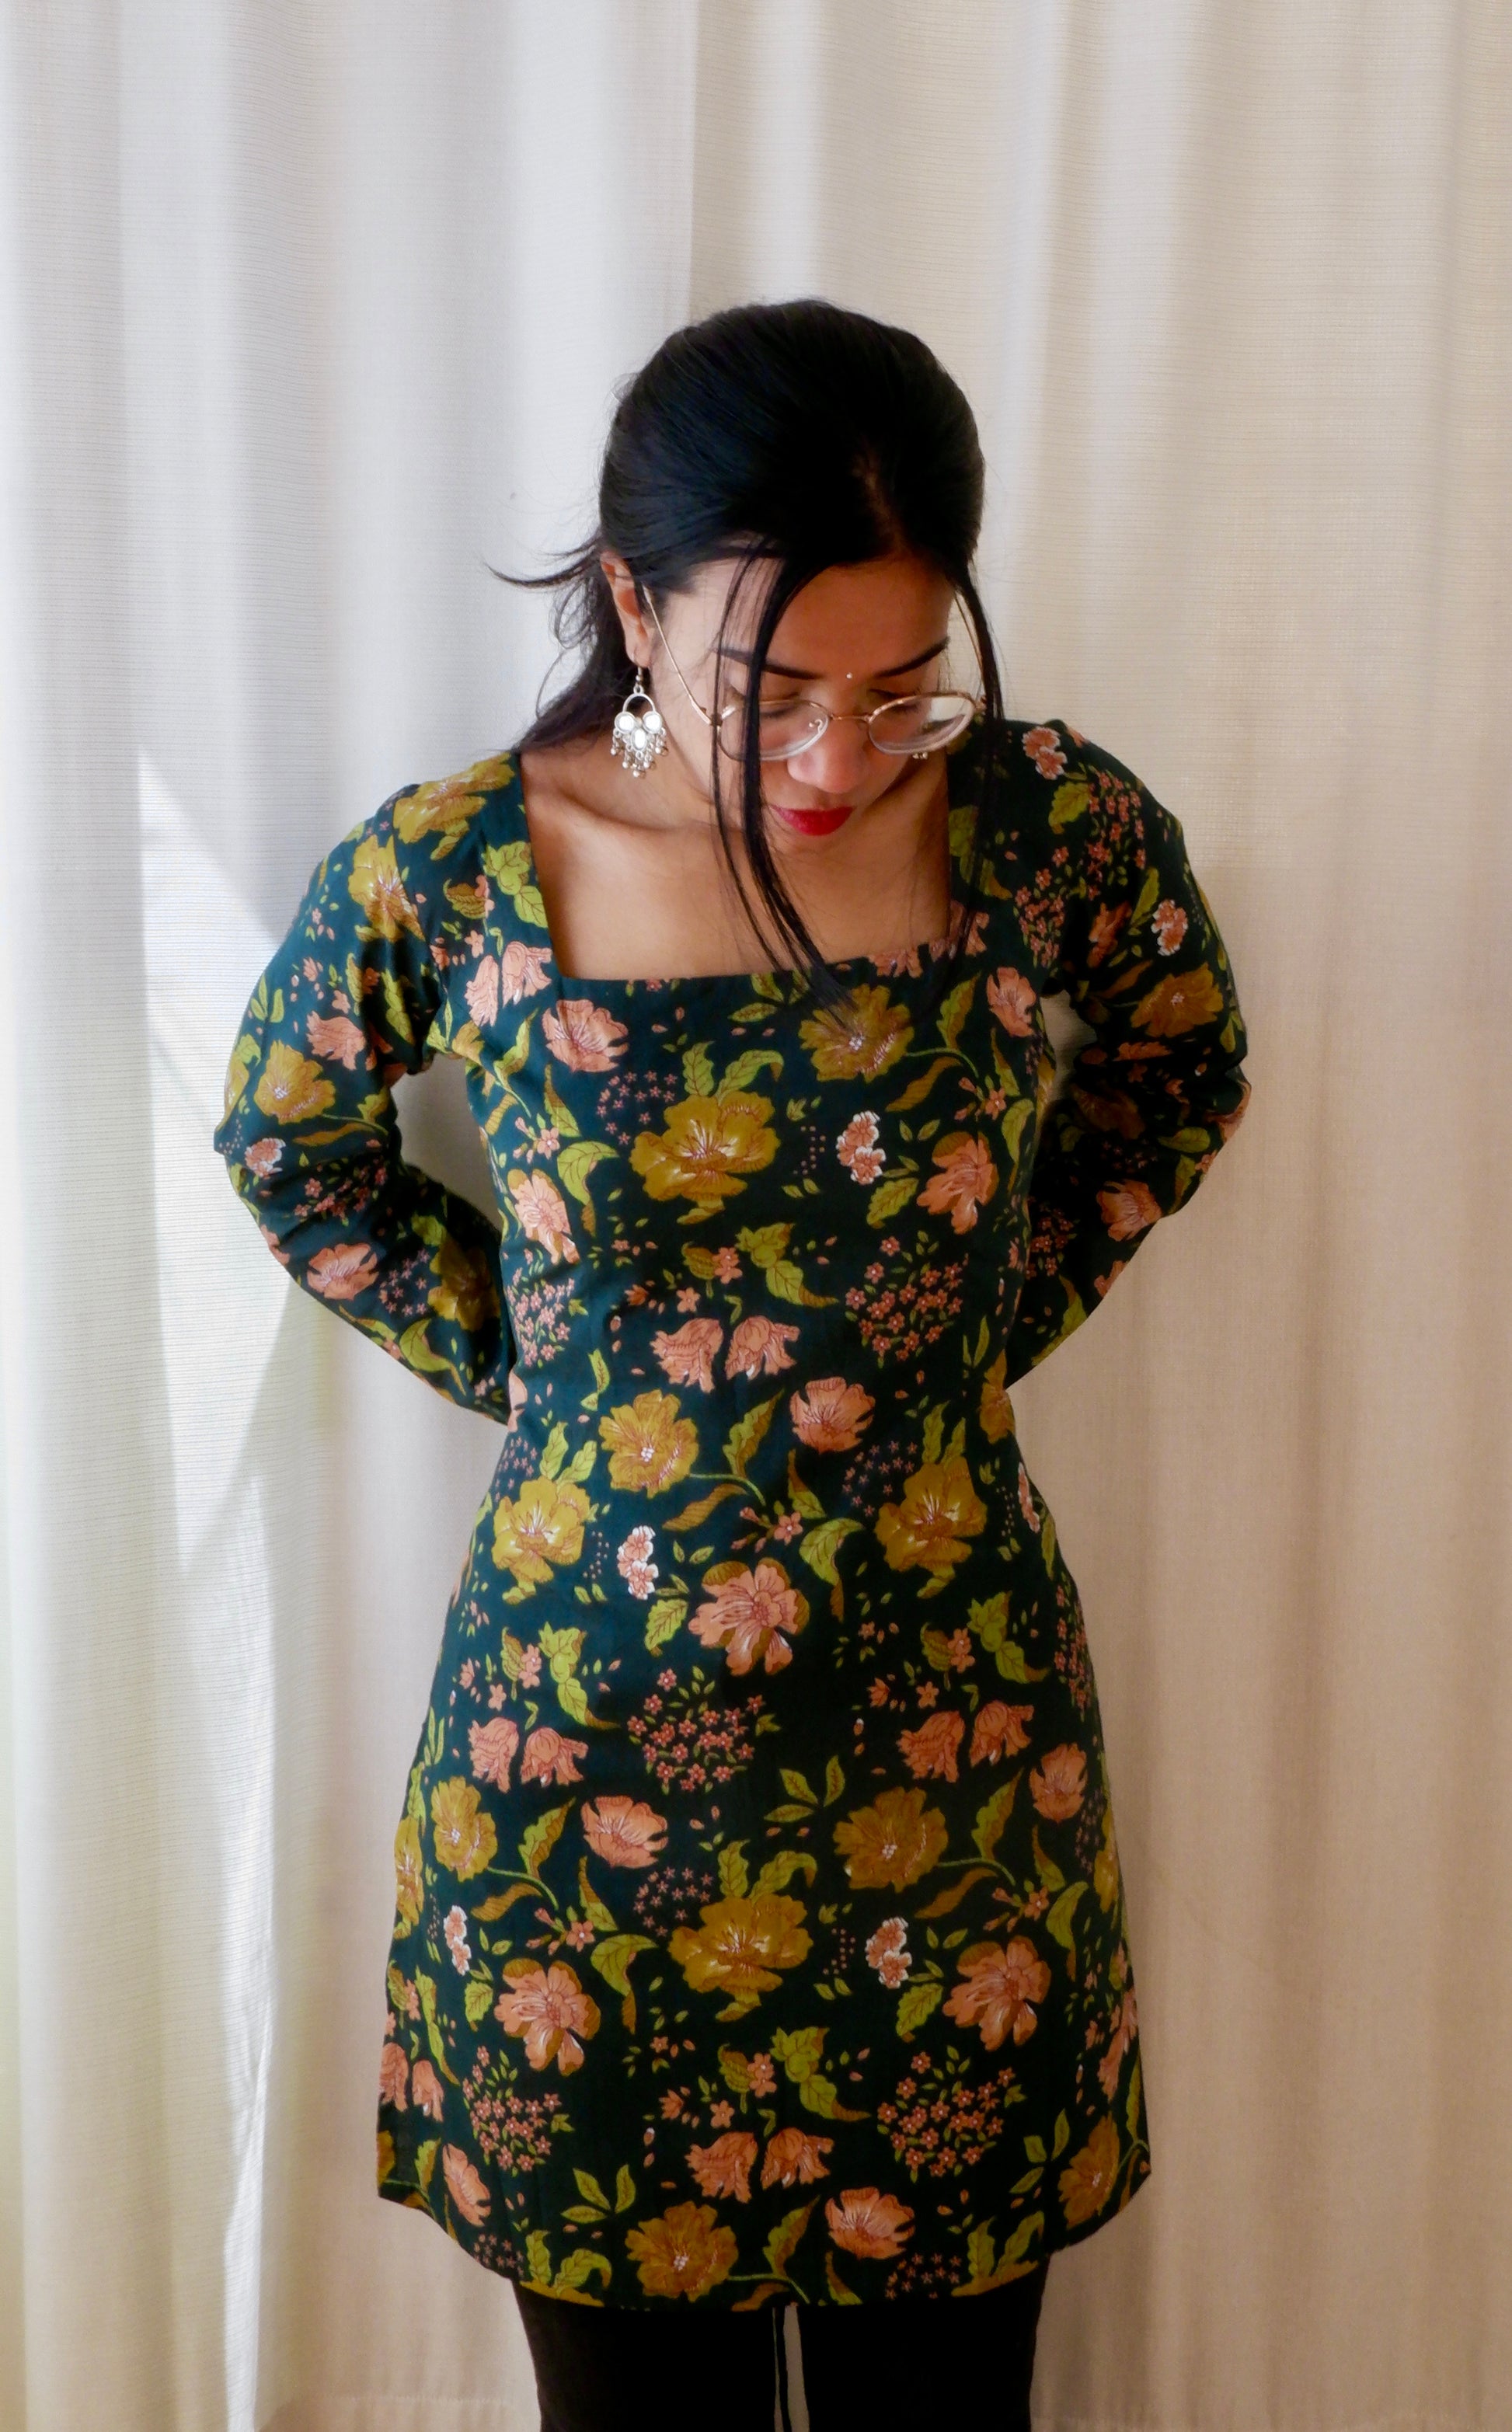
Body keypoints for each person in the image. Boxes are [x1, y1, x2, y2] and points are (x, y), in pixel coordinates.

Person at [212, 298, 1252, 2430]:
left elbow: (1181, 1066)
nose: (836, 763)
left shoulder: (1047, 827)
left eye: (900, 687)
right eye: (769, 693)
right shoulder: (461, 869)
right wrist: (568, 1383)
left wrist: (959, 1341)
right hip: (573, 1794)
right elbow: (288, 1145)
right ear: (631, 608)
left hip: (959, 1782)